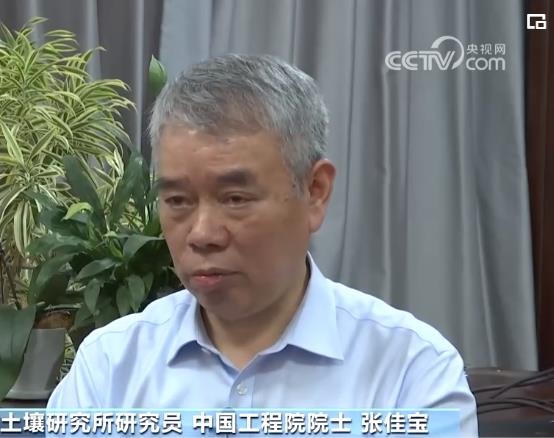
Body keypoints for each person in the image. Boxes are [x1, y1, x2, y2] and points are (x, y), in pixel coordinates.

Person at [47, 54, 478, 435]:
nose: (202, 234)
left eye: (235, 199)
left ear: (315, 192)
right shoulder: (110, 367)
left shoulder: (410, 371)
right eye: (177, 201)